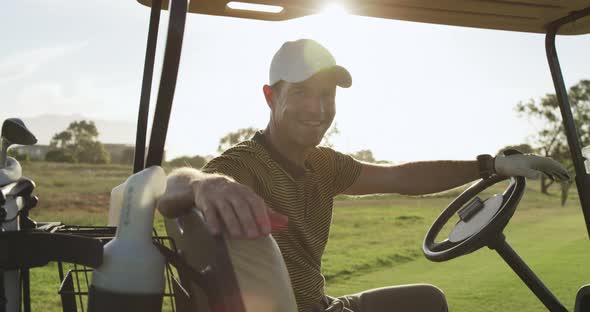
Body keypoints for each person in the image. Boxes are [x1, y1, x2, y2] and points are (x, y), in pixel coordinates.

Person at [156, 39, 570, 312]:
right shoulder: (243, 164)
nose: (318, 110)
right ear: (270, 96)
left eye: (326, 95)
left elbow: (400, 178)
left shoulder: (325, 165)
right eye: (300, 93)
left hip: (323, 305)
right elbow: (175, 190)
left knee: (426, 300)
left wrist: (491, 166)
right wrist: (203, 182)